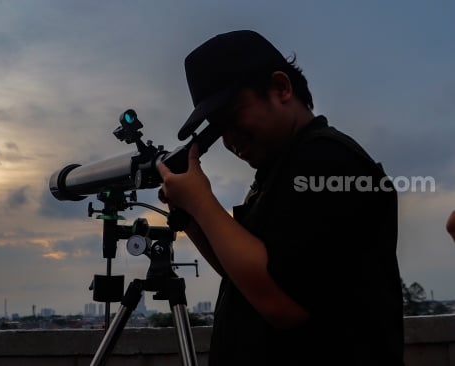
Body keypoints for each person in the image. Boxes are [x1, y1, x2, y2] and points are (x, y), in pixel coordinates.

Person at [157, 30, 404, 365]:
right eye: (218, 129)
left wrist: (201, 201)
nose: (229, 140)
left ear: (281, 87)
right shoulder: (281, 170)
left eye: (233, 115)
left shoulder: (327, 162)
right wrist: (190, 214)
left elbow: (281, 302)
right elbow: (244, 278)